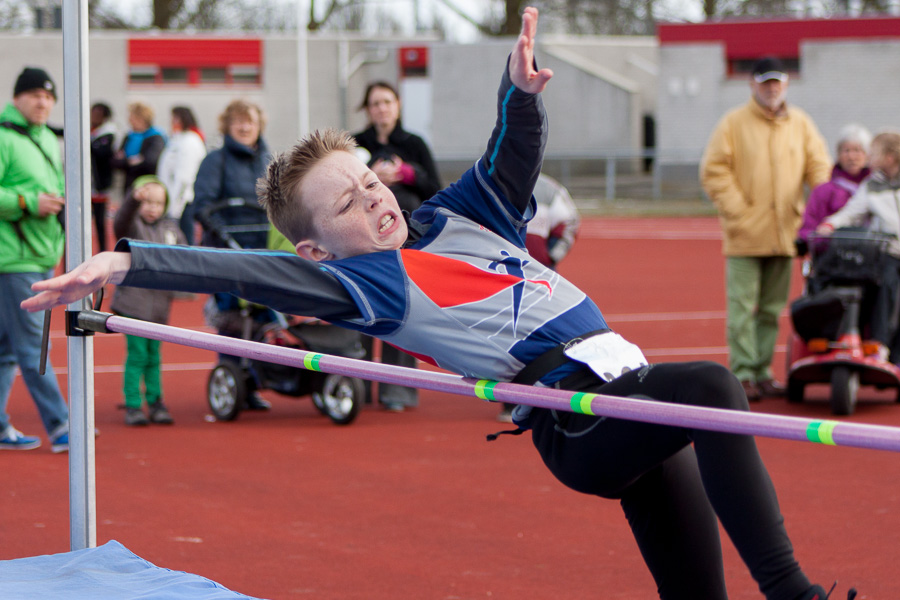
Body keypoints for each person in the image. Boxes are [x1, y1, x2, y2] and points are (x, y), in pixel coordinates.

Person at [24, 11, 848, 598]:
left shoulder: (459, 214)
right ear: (317, 247)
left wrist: (519, 95)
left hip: (621, 391)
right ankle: (794, 593)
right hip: (579, 419)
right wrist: (125, 255)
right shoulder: (364, 283)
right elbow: (240, 273)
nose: (372, 201)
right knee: (708, 388)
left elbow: (511, 155)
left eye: (369, 182)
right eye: (346, 204)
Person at [700, 56, 832, 402]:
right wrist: (739, 211)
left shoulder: (800, 124)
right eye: (765, 82)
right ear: (753, 85)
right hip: (746, 235)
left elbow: (819, 169)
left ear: (786, 84)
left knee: (772, 310)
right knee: (743, 309)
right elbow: (714, 170)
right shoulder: (733, 123)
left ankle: (762, 371)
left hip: (786, 234)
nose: (772, 88)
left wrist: (822, 207)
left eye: (777, 82)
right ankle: (742, 373)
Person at [352, 82, 442, 411]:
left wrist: (407, 174)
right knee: (359, 309)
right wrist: (368, 177)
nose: (381, 109)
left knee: (400, 310)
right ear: (368, 109)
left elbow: (435, 188)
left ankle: (398, 392)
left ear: (398, 105)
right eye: (375, 103)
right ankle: (355, 389)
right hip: (361, 241)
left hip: (405, 241)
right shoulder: (355, 144)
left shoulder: (415, 144)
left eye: (387, 102)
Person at [0, 66, 69, 452]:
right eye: (35, 95)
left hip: (39, 254)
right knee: (32, 346)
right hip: (15, 259)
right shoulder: (5, 138)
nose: (43, 102)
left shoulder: (45, 139)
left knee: (6, 348)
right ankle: (61, 426)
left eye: (48, 96)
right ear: (17, 99)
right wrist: (28, 202)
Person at [192, 99, 272, 410]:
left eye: (249, 120)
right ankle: (231, 379)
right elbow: (202, 203)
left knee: (263, 318)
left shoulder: (268, 159)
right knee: (233, 321)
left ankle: (253, 383)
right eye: (237, 121)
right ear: (227, 125)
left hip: (263, 252)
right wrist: (219, 227)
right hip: (228, 251)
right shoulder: (215, 161)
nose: (244, 126)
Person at [498, 172, 580, 421]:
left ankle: (541, 393)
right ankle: (510, 400)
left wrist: (551, 256)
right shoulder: (490, 184)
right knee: (506, 335)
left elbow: (570, 223)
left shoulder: (548, 189)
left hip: (540, 276)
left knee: (540, 333)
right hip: (501, 275)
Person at [816, 130, 900, 362]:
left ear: (889, 158)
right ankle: (879, 343)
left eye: (873, 153)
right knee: (886, 285)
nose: (868, 158)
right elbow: (853, 210)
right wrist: (831, 224)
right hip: (886, 252)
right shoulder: (872, 184)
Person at [111, 176, 185, 426]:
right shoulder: (133, 227)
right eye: (148, 202)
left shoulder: (170, 228)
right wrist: (133, 200)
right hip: (133, 305)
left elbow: (186, 253)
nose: (153, 208)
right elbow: (120, 222)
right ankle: (133, 404)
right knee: (138, 355)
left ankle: (155, 401)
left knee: (154, 356)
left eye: (158, 203)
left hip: (158, 307)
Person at [796, 123, 872, 253]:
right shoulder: (824, 191)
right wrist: (823, 236)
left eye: (857, 150)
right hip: (833, 260)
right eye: (846, 151)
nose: (851, 157)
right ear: (838, 154)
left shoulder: (876, 189)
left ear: (868, 155)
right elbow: (809, 228)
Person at [156, 106, 206, 245]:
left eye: (175, 118)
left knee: (184, 244)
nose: (172, 122)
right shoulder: (178, 139)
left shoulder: (190, 141)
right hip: (172, 201)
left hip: (182, 204)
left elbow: (184, 178)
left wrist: (173, 209)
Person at [112, 101, 166, 195]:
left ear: (141, 118)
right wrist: (133, 161)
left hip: (147, 186)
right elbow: (115, 161)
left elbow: (151, 162)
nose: (129, 120)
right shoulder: (129, 136)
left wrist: (127, 160)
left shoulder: (155, 137)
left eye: (132, 117)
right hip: (129, 185)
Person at [89, 102, 117, 253]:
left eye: (98, 114)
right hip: (87, 185)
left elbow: (100, 152)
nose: (94, 117)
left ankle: (103, 252)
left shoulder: (108, 134)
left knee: (100, 223)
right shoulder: (90, 131)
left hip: (100, 186)